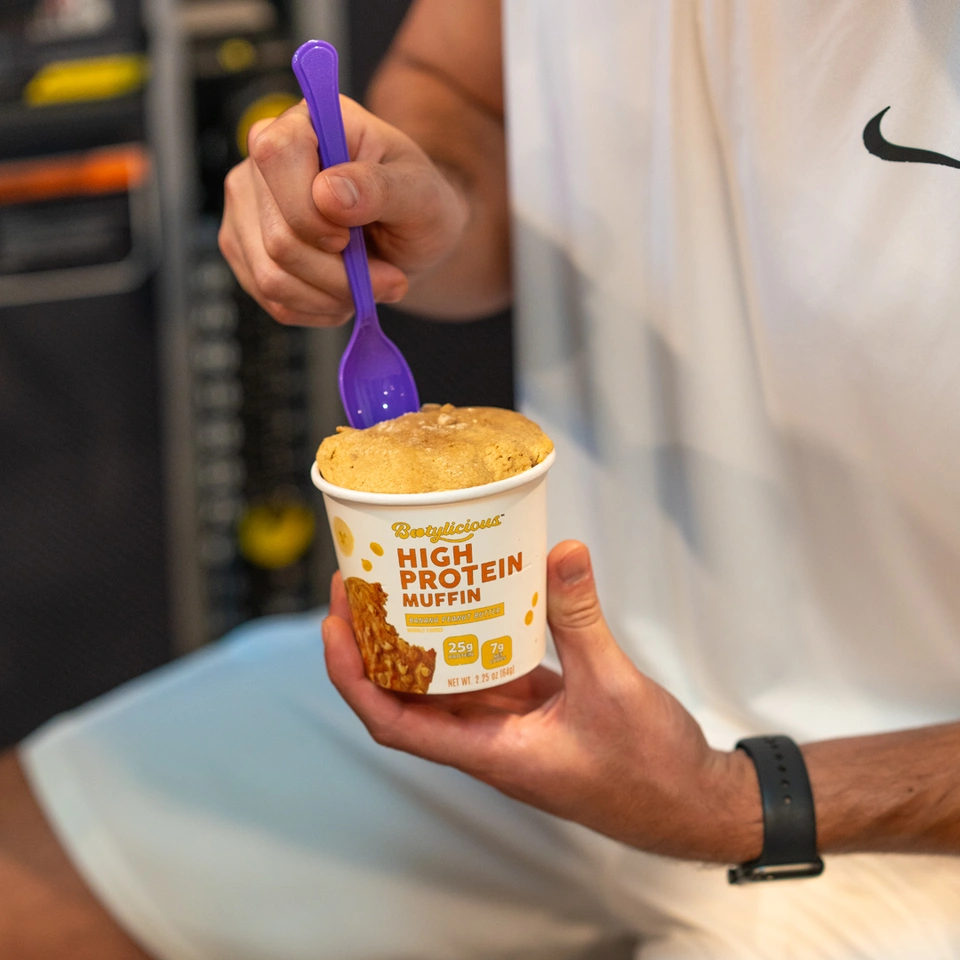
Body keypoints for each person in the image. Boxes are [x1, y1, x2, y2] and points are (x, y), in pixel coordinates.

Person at [2, 0, 960, 956]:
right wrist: (423, 199)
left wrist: (739, 801)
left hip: (883, 805)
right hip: (526, 681)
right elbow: (465, 87)